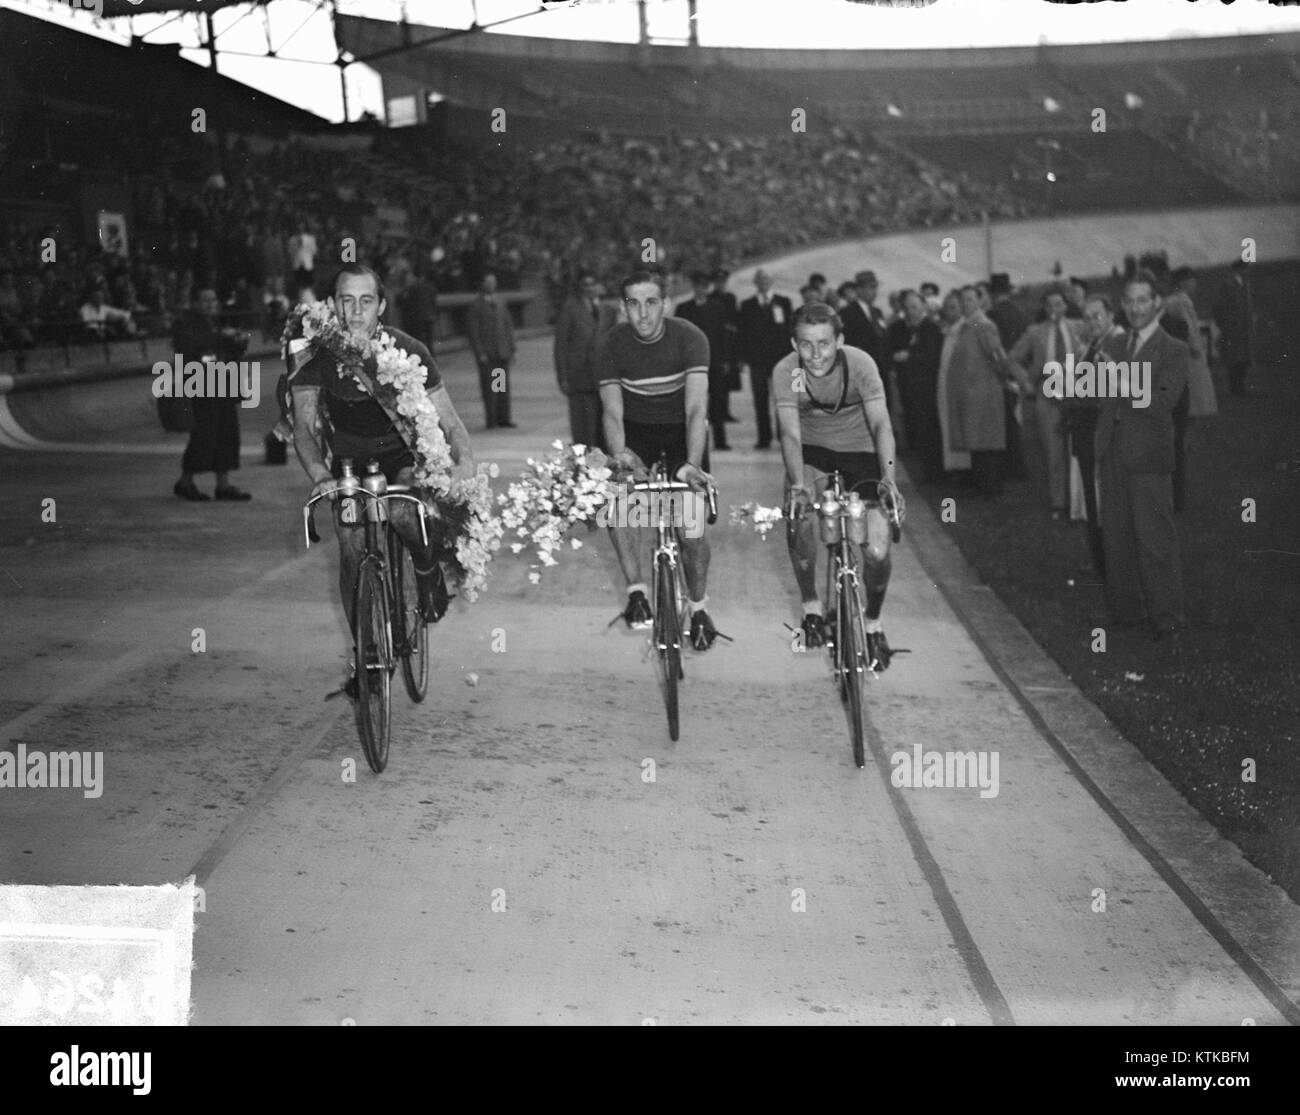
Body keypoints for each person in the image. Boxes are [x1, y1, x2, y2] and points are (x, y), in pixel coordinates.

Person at [291, 264, 476, 691]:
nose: (355, 311)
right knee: (352, 543)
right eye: (346, 300)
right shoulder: (315, 357)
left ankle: (427, 569)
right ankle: (368, 654)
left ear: (382, 306)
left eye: (366, 301)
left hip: (402, 456)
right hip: (350, 464)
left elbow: (449, 421)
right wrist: (320, 475)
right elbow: (303, 427)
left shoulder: (408, 349)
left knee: (402, 512)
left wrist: (464, 462)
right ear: (333, 304)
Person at [773, 301, 902, 670]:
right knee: (801, 520)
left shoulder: (860, 364)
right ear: (795, 344)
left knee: (877, 552)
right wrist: (798, 486)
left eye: (824, 344)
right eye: (806, 345)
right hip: (813, 452)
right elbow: (790, 434)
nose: (815, 354)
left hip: (860, 451)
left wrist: (889, 480)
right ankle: (812, 606)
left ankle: (873, 623)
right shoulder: (788, 372)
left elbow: (881, 426)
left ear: (839, 341)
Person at [596, 270, 720, 650]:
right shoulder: (610, 345)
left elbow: (697, 408)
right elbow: (612, 413)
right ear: (623, 307)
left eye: (652, 303)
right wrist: (621, 456)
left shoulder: (690, 338)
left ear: (665, 304)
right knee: (620, 503)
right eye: (634, 304)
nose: (643, 314)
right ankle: (636, 590)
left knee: (691, 529)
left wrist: (693, 463)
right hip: (636, 433)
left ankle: (698, 607)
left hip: (682, 431)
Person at [1095, 271, 1188, 639]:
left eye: (1142, 301)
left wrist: (1120, 381)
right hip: (1112, 450)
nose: (1134, 309)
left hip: (1148, 456)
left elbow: (1163, 401)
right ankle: (1127, 613)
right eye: (1129, 301)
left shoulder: (1173, 350)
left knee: (1154, 539)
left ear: (1158, 305)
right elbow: (1099, 395)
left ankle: (1167, 619)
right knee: (1116, 537)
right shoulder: (1116, 346)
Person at [1007, 286, 1087, 517]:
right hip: (1048, 394)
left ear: (1065, 306)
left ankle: (1079, 502)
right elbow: (1012, 359)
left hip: (1078, 394)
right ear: (1044, 308)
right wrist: (1026, 382)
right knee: (1053, 450)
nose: (1054, 309)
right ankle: (1058, 503)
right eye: (1050, 305)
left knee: (1078, 448)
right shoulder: (1036, 332)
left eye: (1059, 304)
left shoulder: (1079, 327)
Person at [948, 286, 1029, 497]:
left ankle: (991, 489)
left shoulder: (983, 325)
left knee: (986, 443)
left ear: (980, 301)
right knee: (978, 443)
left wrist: (1003, 379)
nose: (966, 304)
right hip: (973, 395)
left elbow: (997, 357)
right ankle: (982, 486)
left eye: (970, 299)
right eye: (963, 300)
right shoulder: (969, 326)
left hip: (984, 394)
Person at [172, 287, 252, 502]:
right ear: (195, 303)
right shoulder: (185, 324)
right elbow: (190, 350)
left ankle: (223, 485)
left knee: (226, 432)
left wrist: (237, 341)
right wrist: (219, 337)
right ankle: (185, 481)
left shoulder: (215, 323)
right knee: (203, 435)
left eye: (213, 300)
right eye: (205, 300)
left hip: (222, 386)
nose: (210, 304)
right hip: (201, 388)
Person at [1067, 294, 1125, 576]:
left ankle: (1113, 561)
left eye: (1097, 316)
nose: (1092, 323)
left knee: (1109, 499)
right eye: (1087, 318)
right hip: (1087, 432)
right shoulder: (1091, 345)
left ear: (1111, 315)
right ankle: (1102, 559)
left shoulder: (1119, 343)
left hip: (1108, 434)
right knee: (1094, 498)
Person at [553, 272, 612, 450]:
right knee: (582, 427)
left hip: (602, 376)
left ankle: (603, 464)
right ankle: (583, 464)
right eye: (586, 285)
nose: (590, 288)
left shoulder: (606, 310)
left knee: (603, 425)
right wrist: (563, 377)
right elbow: (561, 345)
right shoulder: (570, 310)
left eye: (593, 284)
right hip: (579, 376)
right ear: (580, 288)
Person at [891, 290, 945, 482]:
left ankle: (934, 473)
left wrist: (909, 357)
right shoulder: (901, 328)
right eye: (907, 308)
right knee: (918, 431)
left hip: (927, 389)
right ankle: (927, 472)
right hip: (910, 389)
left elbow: (932, 357)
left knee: (929, 431)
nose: (910, 311)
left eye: (914, 307)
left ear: (923, 306)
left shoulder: (930, 328)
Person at [675, 270, 732, 451]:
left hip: (714, 361)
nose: (701, 289)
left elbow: (723, 335)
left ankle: (720, 440)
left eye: (704, 286)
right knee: (693, 403)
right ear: (694, 287)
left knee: (716, 402)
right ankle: (693, 441)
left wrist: (725, 359)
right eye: (698, 286)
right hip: (690, 364)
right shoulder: (684, 308)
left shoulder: (718, 306)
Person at [737, 269, 793, 451]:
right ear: (755, 282)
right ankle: (764, 437)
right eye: (760, 280)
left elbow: (788, 330)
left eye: (766, 279)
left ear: (772, 281)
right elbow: (742, 333)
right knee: (760, 399)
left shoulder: (783, 303)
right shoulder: (747, 305)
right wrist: (743, 357)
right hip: (757, 361)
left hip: (780, 360)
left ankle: (783, 435)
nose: (763, 282)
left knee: (781, 400)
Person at [987, 272, 1029, 479]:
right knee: (1017, 419)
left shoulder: (994, 314)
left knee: (1009, 422)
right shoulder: (1017, 311)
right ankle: (1020, 466)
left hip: (1007, 370)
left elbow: (998, 347)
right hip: (1021, 369)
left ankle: (1014, 467)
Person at [466, 271, 516, 429]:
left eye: (493, 282)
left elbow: (508, 325)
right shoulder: (476, 305)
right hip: (487, 354)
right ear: (482, 284)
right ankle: (492, 419)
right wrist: (479, 352)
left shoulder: (501, 302)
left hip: (501, 352)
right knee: (490, 388)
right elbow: (473, 331)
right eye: (488, 282)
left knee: (500, 386)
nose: (491, 285)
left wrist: (512, 348)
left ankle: (504, 418)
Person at [935, 290, 971, 478]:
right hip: (945, 386)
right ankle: (954, 468)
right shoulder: (946, 332)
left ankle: (964, 470)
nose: (950, 312)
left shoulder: (965, 330)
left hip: (960, 388)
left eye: (953, 307)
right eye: (947, 308)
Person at [1212, 260, 1254, 396]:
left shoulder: (1245, 284)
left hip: (1244, 330)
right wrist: (1225, 326)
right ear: (1238, 269)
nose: (1247, 271)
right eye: (1244, 269)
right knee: (1234, 360)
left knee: (1243, 360)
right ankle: (1235, 388)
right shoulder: (1227, 285)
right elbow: (1218, 307)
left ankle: (1241, 387)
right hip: (1232, 330)